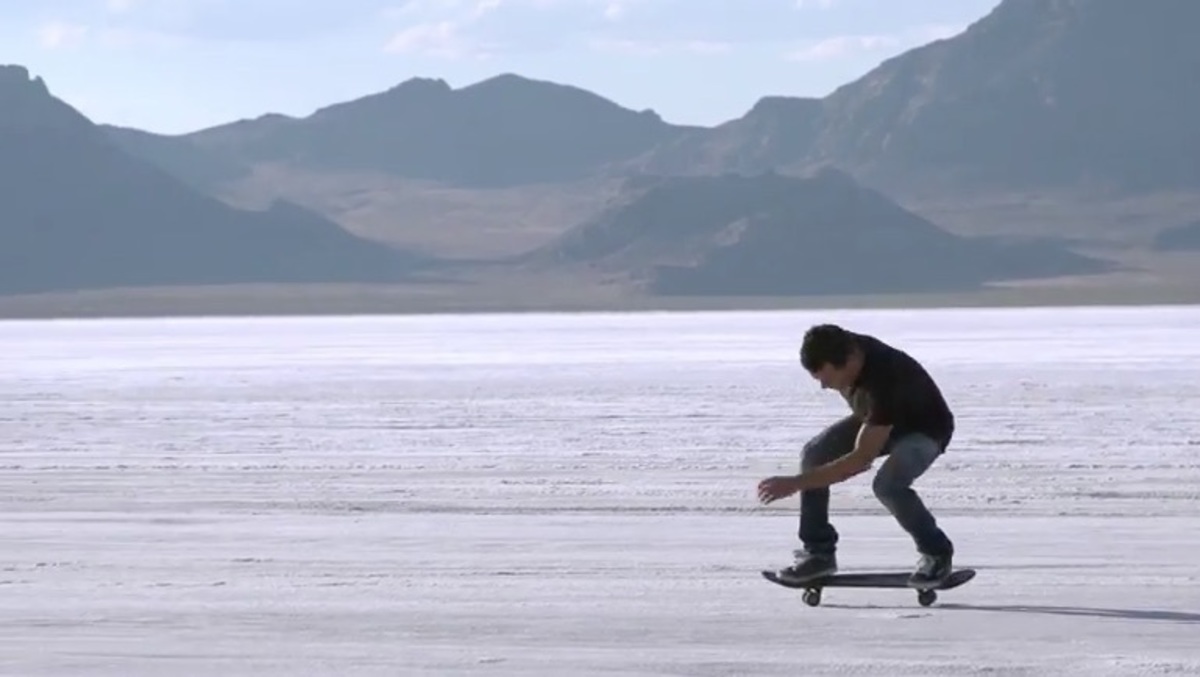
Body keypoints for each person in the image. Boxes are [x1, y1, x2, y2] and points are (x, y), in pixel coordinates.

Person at [757, 323, 956, 587]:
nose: (824, 386)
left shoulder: (883, 383)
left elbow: (860, 460)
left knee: (888, 485)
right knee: (815, 455)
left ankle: (936, 552)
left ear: (850, 361)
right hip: (879, 419)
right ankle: (818, 553)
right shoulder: (842, 346)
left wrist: (795, 484)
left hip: (925, 430)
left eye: (827, 379)